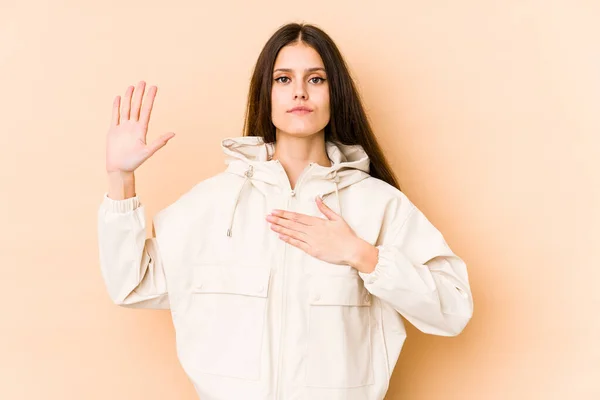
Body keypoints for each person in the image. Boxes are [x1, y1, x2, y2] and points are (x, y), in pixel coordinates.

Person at [98, 22, 473, 400]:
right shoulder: (213, 204)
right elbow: (132, 283)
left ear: (334, 93)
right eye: (282, 79)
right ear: (266, 93)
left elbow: (454, 307)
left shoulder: (377, 205)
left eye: (315, 79)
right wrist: (120, 177)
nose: (298, 91)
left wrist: (362, 255)